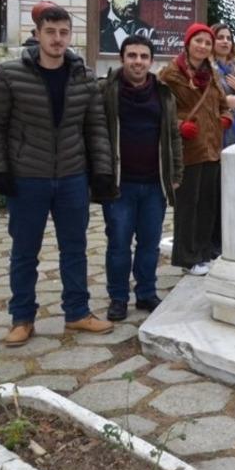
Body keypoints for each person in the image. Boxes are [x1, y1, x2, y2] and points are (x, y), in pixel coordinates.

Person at [0, 4, 115, 346]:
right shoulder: (10, 74)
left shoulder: (83, 76)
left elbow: (95, 127)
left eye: (64, 32)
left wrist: (100, 170)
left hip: (72, 177)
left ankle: (77, 313)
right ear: (37, 33)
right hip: (27, 178)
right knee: (25, 251)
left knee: (75, 248)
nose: (58, 39)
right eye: (51, 32)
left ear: (71, 35)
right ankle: (22, 318)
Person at [97, 36, 183, 322]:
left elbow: (173, 136)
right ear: (122, 59)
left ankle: (146, 292)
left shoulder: (163, 93)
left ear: (151, 61)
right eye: (132, 55)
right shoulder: (106, 90)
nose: (138, 61)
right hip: (120, 183)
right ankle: (118, 298)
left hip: (154, 183)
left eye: (144, 56)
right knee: (119, 244)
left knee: (149, 243)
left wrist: (176, 174)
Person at [158, 24, 234, 276]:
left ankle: (203, 252)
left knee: (207, 206)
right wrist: (180, 125)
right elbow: (160, 109)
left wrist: (225, 119)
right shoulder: (171, 74)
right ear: (188, 43)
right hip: (188, 151)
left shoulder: (211, 74)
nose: (203, 46)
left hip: (212, 148)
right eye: (198, 41)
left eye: (207, 42)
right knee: (188, 206)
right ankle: (187, 257)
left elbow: (223, 104)